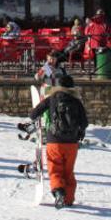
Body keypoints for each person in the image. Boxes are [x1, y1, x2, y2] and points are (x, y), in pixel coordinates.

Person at [27, 75, 88, 209]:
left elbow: (34, 114)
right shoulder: (76, 101)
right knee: (68, 171)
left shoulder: (52, 98)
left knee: (55, 170)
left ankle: (59, 192)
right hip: (72, 143)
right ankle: (69, 199)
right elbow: (85, 122)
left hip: (54, 141)